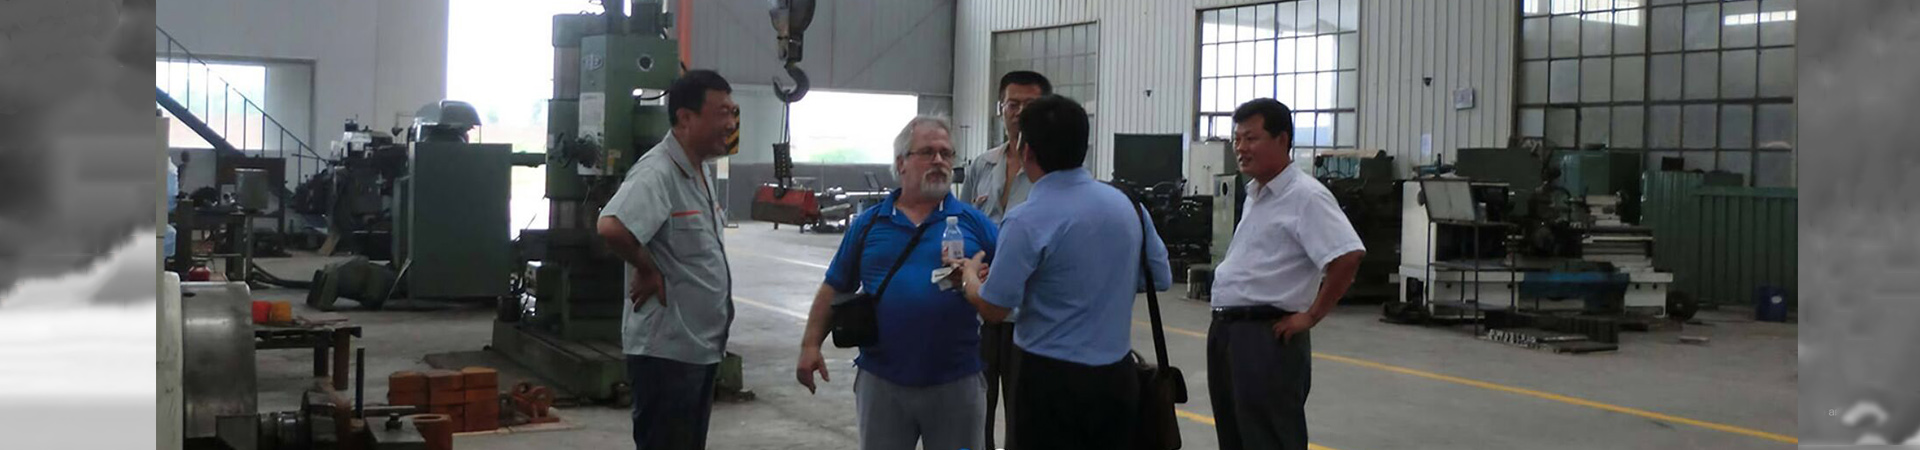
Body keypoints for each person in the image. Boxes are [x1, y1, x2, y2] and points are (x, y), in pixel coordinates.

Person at [953, 94, 1173, 449]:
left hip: (1049, 382)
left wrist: (969, 278)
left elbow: (994, 308)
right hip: (1117, 377)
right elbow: (1159, 277)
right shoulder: (1128, 206)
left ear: (1026, 151)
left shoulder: (1026, 219)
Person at [794, 116, 997, 450]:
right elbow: (835, 286)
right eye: (928, 152)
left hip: (957, 382)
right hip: (882, 382)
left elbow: (1009, 282)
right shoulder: (869, 224)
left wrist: (982, 281)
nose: (939, 161)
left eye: (946, 153)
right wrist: (810, 345)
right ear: (901, 163)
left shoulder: (974, 223)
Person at [1206, 98, 1366, 450]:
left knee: (1270, 438)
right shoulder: (1257, 193)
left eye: (1251, 138)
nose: (1241, 148)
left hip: (1266, 337)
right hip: (1231, 333)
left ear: (1282, 140)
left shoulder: (1306, 196)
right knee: (1236, 437)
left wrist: (1311, 315)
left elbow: (1348, 255)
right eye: (1237, 139)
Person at [595, 69, 740, 450]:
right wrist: (646, 267)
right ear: (685, 118)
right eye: (721, 113)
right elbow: (612, 226)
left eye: (732, 112)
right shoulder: (657, 172)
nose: (730, 123)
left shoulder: (699, 169)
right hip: (667, 354)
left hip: (698, 348)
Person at [957, 69, 1049, 449]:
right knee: (973, 411)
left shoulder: (1052, 173)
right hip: (979, 311)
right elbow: (961, 224)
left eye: (1030, 104)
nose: (1019, 112)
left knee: (1023, 416)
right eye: (1013, 104)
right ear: (1000, 109)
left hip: (1027, 315)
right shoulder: (982, 165)